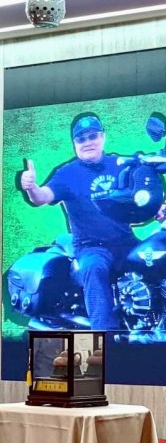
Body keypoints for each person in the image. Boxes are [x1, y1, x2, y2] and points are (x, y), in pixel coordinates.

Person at [19, 113, 135, 330]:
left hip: (126, 241)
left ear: (103, 137)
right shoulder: (67, 173)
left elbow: (142, 196)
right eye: (81, 138)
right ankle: (105, 337)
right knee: (95, 269)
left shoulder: (119, 164)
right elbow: (42, 197)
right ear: (74, 143)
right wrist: (31, 187)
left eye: (93, 136)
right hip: (92, 247)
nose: (88, 142)